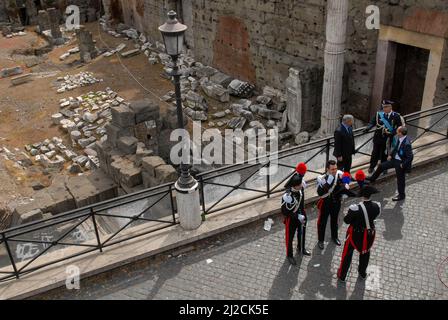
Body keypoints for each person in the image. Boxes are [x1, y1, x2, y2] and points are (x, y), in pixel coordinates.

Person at [337, 186, 381, 282]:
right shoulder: (377, 206)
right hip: (369, 234)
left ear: (362, 196)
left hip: (355, 234)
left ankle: (342, 275)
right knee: (365, 252)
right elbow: (374, 217)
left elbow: (346, 221)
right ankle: (362, 272)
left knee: (347, 254)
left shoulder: (355, 208)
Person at [316, 160, 356, 250]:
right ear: (327, 169)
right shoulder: (322, 178)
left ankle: (335, 237)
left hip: (336, 202)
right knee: (322, 222)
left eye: (335, 168)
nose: (334, 171)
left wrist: (346, 184)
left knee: (334, 220)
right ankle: (320, 240)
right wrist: (328, 184)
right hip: (325, 203)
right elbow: (320, 193)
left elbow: (347, 180)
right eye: (332, 169)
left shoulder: (339, 174)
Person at [367, 126, 413, 201]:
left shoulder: (407, 144)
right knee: (381, 166)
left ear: (400, 133)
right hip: (395, 160)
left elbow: (410, 157)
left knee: (400, 180)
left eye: (397, 131)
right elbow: (396, 148)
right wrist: (390, 155)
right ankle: (372, 179)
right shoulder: (400, 138)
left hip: (400, 163)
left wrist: (403, 164)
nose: (396, 132)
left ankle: (401, 195)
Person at [364, 100, 405, 174]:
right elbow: (372, 122)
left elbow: (399, 127)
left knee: (385, 154)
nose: (384, 109)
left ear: (390, 107)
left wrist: (392, 132)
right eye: (383, 107)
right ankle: (372, 167)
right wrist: (368, 128)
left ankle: (384, 168)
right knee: (375, 153)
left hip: (388, 139)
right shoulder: (378, 114)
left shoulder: (396, 116)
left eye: (386, 107)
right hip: (378, 138)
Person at [281, 174, 310, 266]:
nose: (301, 186)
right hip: (292, 219)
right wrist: (297, 216)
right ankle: (289, 255)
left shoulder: (300, 189)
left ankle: (301, 248)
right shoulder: (288, 196)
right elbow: (284, 212)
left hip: (301, 215)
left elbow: (301, 203)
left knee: (302, 233)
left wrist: (303, 215)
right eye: (300, 184)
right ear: (295, 186)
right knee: (290, 238)